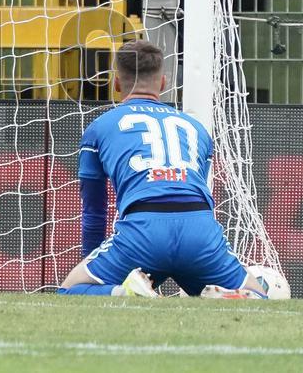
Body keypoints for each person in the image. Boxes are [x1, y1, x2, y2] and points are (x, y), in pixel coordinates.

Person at [58, 40, 268, 298]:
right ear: (163, 83)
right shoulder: (197, 129)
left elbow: (94, 211)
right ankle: (219, 294)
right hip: (199, 231)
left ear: (115, 84)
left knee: (70, 290)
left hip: (141, 233)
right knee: (258, 294)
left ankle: (125, 293)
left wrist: (93, 262)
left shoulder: (99, 128)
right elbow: (200, 192)